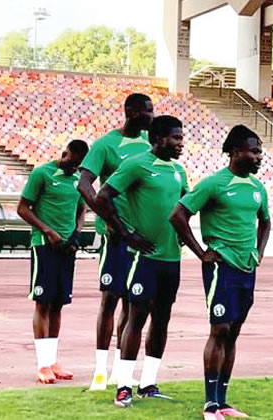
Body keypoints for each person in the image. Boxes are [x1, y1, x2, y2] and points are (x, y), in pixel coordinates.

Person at [170, 125, 271, 420]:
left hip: (246, 267)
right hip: (221, 267)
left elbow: (264, 221)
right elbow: (178, 215)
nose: (258, 157)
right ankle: (210, 404)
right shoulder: (214, 184)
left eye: (259, 151)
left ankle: (223, 401)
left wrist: (259, 251)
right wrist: (201, 252)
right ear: (235, 152)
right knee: (220, 329)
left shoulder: (257, 188)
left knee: (234, 332)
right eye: (253, 151)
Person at [94, 115, 188, 407]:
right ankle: (123, 386)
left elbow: (184, 206)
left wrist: (184, 235)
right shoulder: (136, 165)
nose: (180, 143)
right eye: (175, 137)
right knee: (136, 318)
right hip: (142, 258)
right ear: (157, 139)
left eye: (181, 137)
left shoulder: (178, 171)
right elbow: (103, 196)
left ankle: (149, 383)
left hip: (171, 258)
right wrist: (125, 233)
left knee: (162, 319)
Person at [77, 93, 154, 391]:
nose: (151, 115)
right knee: (109, 299)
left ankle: (122, 371)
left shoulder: (151, 143)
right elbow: (84, 183)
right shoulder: (106, 144)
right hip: (115, 236)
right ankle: (99, 370)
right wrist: (107, 216)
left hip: (142, 237)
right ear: (132, 112)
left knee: (134, 303)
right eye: (147, 110)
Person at [17, 139, 89, 383]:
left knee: (58, 303)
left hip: (67, 248)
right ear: (64, 153)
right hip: (44, 246)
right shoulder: (42, 174)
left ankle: (53, 361)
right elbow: (23, 208)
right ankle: (42, 364)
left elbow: (82, 209)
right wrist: (48, 231)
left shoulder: (78, 178)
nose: (73, 168)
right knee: (43, 302)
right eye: (71, 162)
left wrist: (77, 234)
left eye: (78, 165)